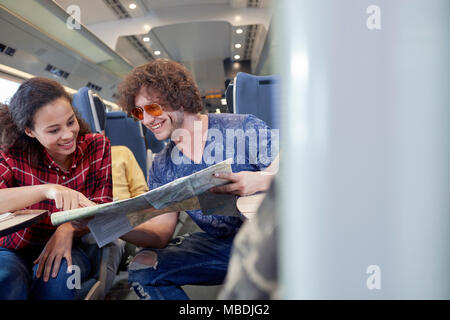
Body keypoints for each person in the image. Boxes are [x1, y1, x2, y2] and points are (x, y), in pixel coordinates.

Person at [116, 58, 278, 300]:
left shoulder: (243, 128)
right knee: (143, 267)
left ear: (179, 99)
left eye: (153, 108)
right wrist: (116, 226)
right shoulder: (162, 164)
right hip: (221, 246)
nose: (146, 120)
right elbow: (161, 234)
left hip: (269, 237)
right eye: (139, 112)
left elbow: (304, 172)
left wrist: (259, 180)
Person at [0, 78, 113, 300]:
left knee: (57, 280)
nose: (68, 135)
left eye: (71, 122)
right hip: (12, 248)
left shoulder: (96, 147)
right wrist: (47, 189)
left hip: (69, 245)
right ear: (30, 131)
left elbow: (103, 209)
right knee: (6, 277)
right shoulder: (11, 153)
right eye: (53, 130)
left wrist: (68, 228)